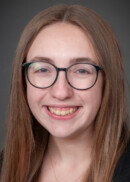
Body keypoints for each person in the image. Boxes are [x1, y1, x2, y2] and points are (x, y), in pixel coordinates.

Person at [0, 4, 130, 182]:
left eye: (82, 71)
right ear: (22, 80)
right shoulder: (4, 165)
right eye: (43, 69)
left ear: (107, 81)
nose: (61, 92)